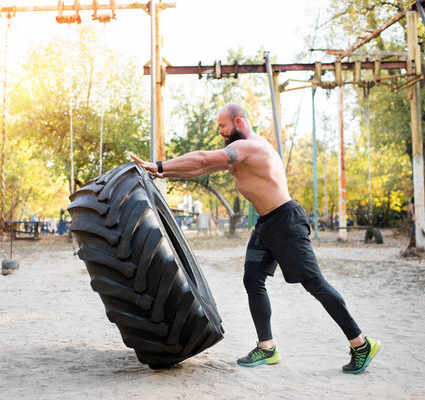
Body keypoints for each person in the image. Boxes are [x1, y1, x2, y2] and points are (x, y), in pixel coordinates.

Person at [130, 103, 381, 374]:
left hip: (286, 222)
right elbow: (199, 169)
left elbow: (202, 159)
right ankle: (267, 347)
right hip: (267, 224)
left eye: (223, 126)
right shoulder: (238, 154)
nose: (220, 132)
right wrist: (163, 172)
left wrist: (157, 164)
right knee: (253, 279)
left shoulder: (252, 147)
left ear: (238, 121)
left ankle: (361, 343)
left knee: (314, 283)